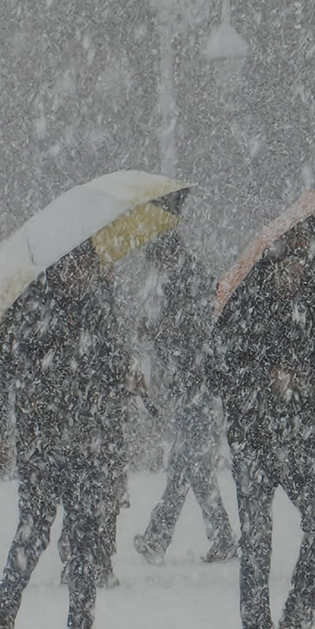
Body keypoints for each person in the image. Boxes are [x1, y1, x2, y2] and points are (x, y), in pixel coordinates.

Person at [209, 241, 315, 629]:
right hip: (253, 438)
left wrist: (308, 357)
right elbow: (217, 371)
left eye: (301, 265)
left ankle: (297, 623)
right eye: (288, 265)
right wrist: (263, 377)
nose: (295, 273)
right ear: (272, 265)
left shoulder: (312, 301)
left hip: (301, 435)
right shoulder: (241, 306)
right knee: (256, 542)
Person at [0, 245, 130, 629]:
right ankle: (4, 609)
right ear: (59, 265)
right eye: (75, 265)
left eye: (86, 266)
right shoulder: (28, 307)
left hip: (87, 444)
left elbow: (111, 367)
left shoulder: (96, 308)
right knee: (34, 533)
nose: (81, 274)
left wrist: (123, 371)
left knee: (85, 541)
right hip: (42, 445)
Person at [133, 233, 237, 566]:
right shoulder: (182, 280)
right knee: (185, 467)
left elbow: (197, 331)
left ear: (170, 254)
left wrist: (160, 331)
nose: (159, 268)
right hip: (188, 389)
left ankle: (172, 537)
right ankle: (164, 537)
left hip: (198, 388)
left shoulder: (194, 280)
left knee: (192, 468)